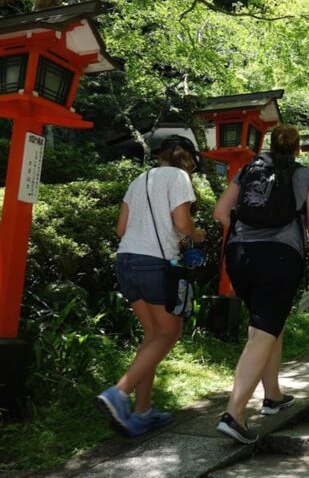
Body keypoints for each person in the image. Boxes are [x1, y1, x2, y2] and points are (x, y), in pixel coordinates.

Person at [212, 124, 309, 444]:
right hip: (279, 257)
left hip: (239, 254)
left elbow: (220, 211)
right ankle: (234, 413)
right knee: (263, 330)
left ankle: (273, 395)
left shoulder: (249, 169)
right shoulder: (306, 176)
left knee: (266, 324)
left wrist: (244, 232)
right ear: (297, 148)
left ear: (268, 145)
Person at [97, 136, 206, 437]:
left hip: (126, 260)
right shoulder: (180, 177)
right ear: (187, 159)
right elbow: (182, 222)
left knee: (153, 336)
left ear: (160, 156)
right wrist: (197, 235)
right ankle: (119, 392)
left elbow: (120, 228)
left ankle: (142, 412)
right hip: (155, 264)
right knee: (170, 332)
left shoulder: (140, 178)